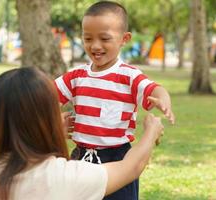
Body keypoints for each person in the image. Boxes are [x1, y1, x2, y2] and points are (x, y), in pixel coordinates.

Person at [0, 67, 164, 200]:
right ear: (47, 119)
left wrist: (50, 136)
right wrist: (151, 132)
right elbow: (131, 167)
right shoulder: (67, 176)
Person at [54, 1, 175, 200]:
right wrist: (54, 121)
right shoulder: (76, 76)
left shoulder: (129, 76)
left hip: (118, 159)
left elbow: (155, 88)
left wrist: (163, 99)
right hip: (81, 158)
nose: (95, 46)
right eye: (88, 38)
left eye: (104, 38)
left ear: (124, 39)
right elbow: (46, 98)